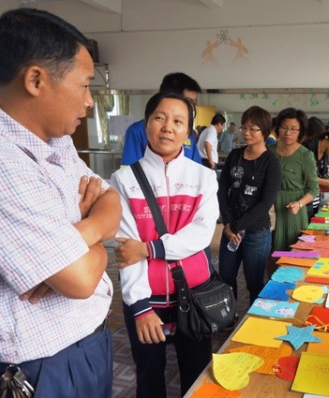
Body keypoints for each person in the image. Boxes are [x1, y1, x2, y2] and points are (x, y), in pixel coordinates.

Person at [0, 8, 121, 397]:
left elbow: (112, 202)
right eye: (84, 85)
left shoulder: (56, 141)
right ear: (36, 79)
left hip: (87, 341)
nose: (90, 102)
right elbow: (79, 280)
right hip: (38, 366)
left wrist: (74, 237)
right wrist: (91, 233)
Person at [110, 91, 219, 397]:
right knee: (148, 374)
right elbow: (126, 249)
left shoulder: (204, 178)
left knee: (197, 372)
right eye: (159, 117)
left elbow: (200, 235)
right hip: (146, 296)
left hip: (195, 295)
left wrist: (150, 248)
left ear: (189, 132)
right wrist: (141, 308)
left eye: (178, 121)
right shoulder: (123, 180)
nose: (168, 127)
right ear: (146, 125)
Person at [218, 106, 282, 303]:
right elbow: (222, 190)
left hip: (256, 232)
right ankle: (228, 319)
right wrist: (228, 223)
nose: (246, 133)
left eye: (252, 129)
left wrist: (236, 226)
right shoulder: (234, 156)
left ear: (265, 131)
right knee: (226, 278)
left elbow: (265, 203)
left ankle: (252, 323)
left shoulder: (271, 162)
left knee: (254, 282)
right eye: (244, 128)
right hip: (230, 229)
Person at [121, 72, 203, 166]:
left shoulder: (188, 132)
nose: (191, 107)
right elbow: (129, 172)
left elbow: (196, 168)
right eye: (189, 101)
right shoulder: (136, 131)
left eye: (194, 102)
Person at [269, 108, 319, 252]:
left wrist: (299, 203)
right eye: (284, 127)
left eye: (293, 129)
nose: (288, 133)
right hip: (269, 207)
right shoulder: (268, 151)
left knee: (292, 254)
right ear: (278, 128)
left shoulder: (305, 155)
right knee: (270, 252)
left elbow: (314, 188)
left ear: (300, 131)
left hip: (294, 211)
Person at [302, 117, 329, 215]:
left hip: (314, 199)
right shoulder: (306, 148)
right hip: (302, 200)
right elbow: (303, 175)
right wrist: (327, 183)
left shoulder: (325, 154)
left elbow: (321, 175)